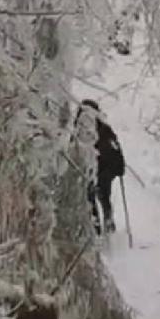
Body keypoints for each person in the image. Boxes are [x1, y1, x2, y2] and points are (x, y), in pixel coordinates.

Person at [70, 99, 125, 235]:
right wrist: (119, 167)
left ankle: (96, 230)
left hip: (94, 169)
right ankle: (108, 225)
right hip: (107, 168)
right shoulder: (105, 128)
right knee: (104, 197)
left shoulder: (80, 128)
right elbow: (116, 147)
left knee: (90, 198)